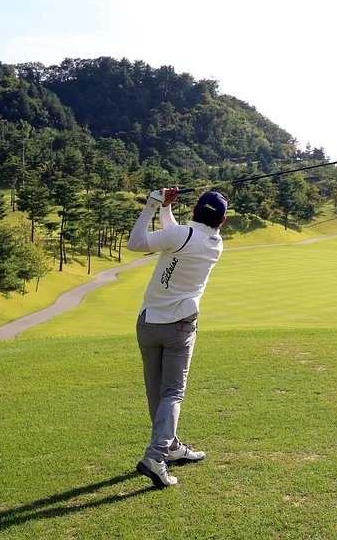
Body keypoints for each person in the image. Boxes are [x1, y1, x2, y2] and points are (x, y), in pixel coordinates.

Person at [126, 187, 227, 488]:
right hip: (180, 327)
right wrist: (162, 209)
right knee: (172, 392)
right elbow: (177, 235)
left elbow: (136, 243)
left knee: (157, 391)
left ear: (194, 211)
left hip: (148, 324)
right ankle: (156, 455)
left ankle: (169, 447)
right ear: (221, 222)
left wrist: (153, 205)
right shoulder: (215, 244)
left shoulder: (180, 236)